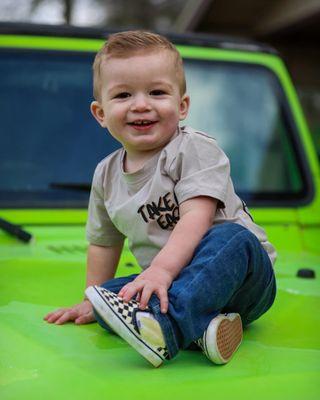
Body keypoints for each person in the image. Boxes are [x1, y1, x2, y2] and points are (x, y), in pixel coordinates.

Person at [44, 30, 276, 368]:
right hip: (175, 283)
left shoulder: (193, 149)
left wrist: (163, 270)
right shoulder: (105, 175)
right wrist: (91, 300)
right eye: (123, 95)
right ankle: (202, 328)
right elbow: (103, 243)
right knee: (111, 296)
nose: (141, 104)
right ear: (101, 113)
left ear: (181, 106)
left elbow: (196, 215)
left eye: (156, 92)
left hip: (245, 280)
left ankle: (164, 329)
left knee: (233, 238)